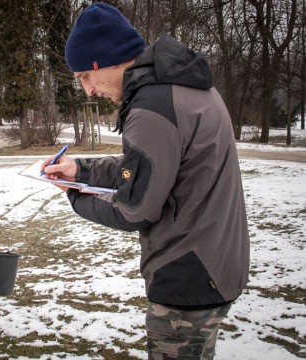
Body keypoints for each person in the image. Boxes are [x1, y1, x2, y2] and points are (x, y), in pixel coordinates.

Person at [41, 4, 250, 359]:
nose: (89, 91)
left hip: (188, 271)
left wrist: (75, 196)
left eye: (84, 78)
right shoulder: (180, 87)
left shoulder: (152, 106)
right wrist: (82, 169)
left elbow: (134, 210)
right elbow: (148, 168)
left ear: (105, 60)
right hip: (213, 260)